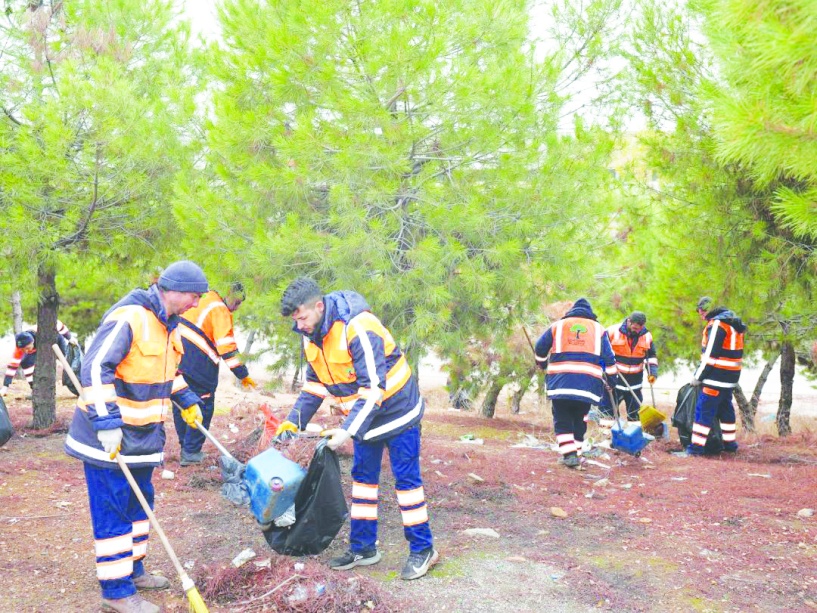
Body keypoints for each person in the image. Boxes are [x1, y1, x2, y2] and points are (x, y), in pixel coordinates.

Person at [64, 261, 209, 613]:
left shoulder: (170, 326)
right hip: (109, 439)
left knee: (140, 506)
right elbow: (95, 368)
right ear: (173, 289)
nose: (196, 303)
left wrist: (187, 400)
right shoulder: (130, 317)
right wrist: (107, 422)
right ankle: (116, 591)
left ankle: (133, 570)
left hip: (144, 439)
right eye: (193, 296)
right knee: (112, 510)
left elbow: (166, 373)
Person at [275, 277, 438, 581]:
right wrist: (293, 421)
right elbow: (314, 386)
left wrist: (347, 431)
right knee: (363, 481)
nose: (300, 326)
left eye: (303, 318)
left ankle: (423, 549)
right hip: (364, 418)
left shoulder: (358, 327)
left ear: (319, 306)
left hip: (398, 411)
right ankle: (364, 548)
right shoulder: (309, 335)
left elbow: (374, 390)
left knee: (407, 483)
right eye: (296, 320)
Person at [174, 281, 256, 466]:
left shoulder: (204, 298)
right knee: (203, 403)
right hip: (198, 362)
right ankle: (191, 451)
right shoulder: (220, 309)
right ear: (231, 294)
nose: (237, 307)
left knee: (182, 400)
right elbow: (227, 349)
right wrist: (242, 374)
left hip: (178, 357)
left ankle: (184, 446)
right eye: (238, 302)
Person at [534, 298, 619, 468]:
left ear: (572, 311)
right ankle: (576, 455)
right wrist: (612, 380)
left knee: (562, 418)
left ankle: (569, 455)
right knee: (580, 419)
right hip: (587, 386)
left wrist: (542, 363)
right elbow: (609, 358)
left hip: (561, 383)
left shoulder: (558, 326)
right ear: (590, 313)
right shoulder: (598, 329)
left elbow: (539, 347)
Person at [678, 296, 745, 456]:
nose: (700, 314)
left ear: (709, 309)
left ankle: (695, 449)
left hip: (715, 378)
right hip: (730, 379)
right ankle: (730, 446)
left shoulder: (717, 325)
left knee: (703, 413)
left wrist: (698, 377)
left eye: (701, 310)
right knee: (726, 411)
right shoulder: (734, 324)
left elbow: (710, 355)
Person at [599, 311, 659, 421]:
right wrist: (603, 370)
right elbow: (601, 352)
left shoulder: (646, 336)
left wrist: (653, 373)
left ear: (643, 326)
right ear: (628, 322)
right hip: (614, 380)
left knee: (635, 413)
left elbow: (651, 356)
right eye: (634, 327)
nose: (636, 330)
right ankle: (606, 435)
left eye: (639, 328)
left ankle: (633, 435)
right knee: (608, 411)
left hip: (634, 382)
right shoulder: (612, 331)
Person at [1, 321, 77, 396]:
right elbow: (12, 366)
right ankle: (35, 389)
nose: (25, 351)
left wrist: (69, 338)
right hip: (39, 347)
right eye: (23, 349)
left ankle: (77, 383)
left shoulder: (41, 330)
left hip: (55, 339)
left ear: (32, 341)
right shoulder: (20, 348)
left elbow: (58, 324)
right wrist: (5, 387)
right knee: (25, 362)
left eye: (27, 348)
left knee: (66, 362)